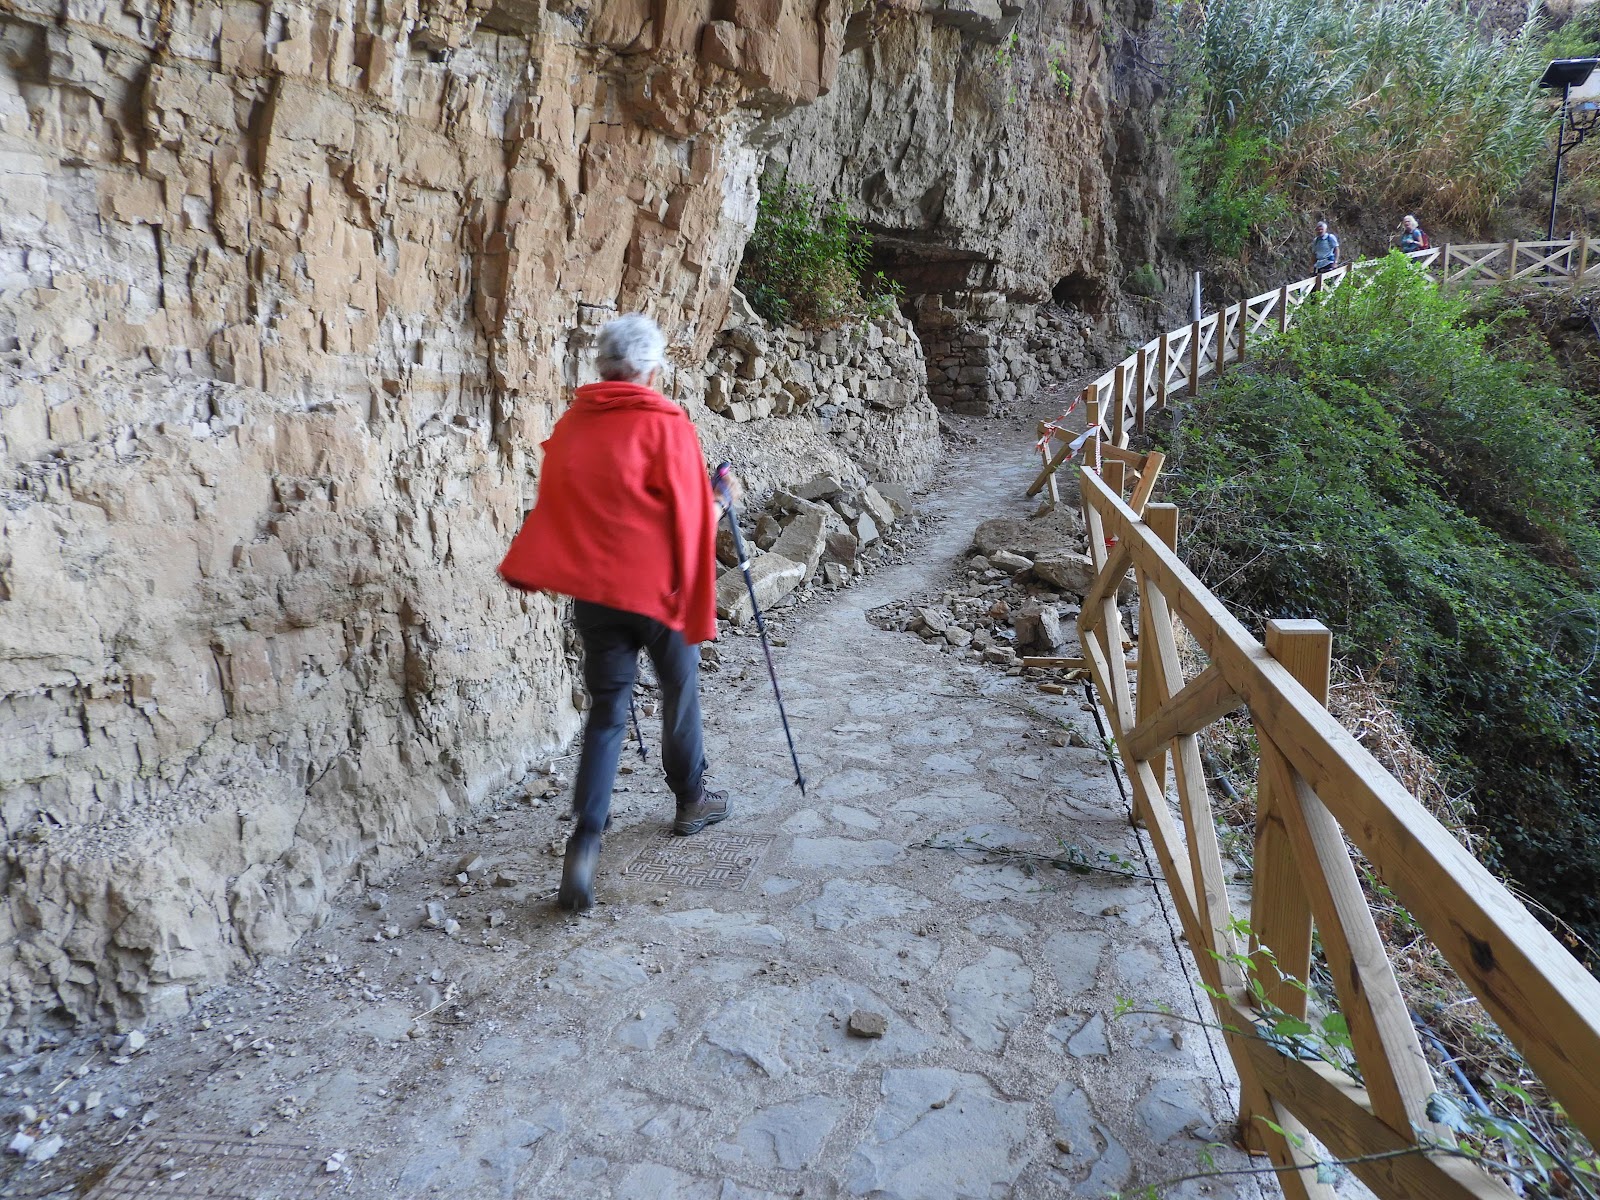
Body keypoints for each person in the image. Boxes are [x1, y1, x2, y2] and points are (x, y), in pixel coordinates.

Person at [498, 313, 731, 912]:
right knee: (679, 692)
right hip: (659, 595)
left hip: (597, 595)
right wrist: (722, 498)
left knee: (607, 716)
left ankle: (585, 844)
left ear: (602, 366)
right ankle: (690, 801)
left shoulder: (574, 424)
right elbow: (690, 515)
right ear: (651, 370)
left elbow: (561, 504)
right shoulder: (666, 424)